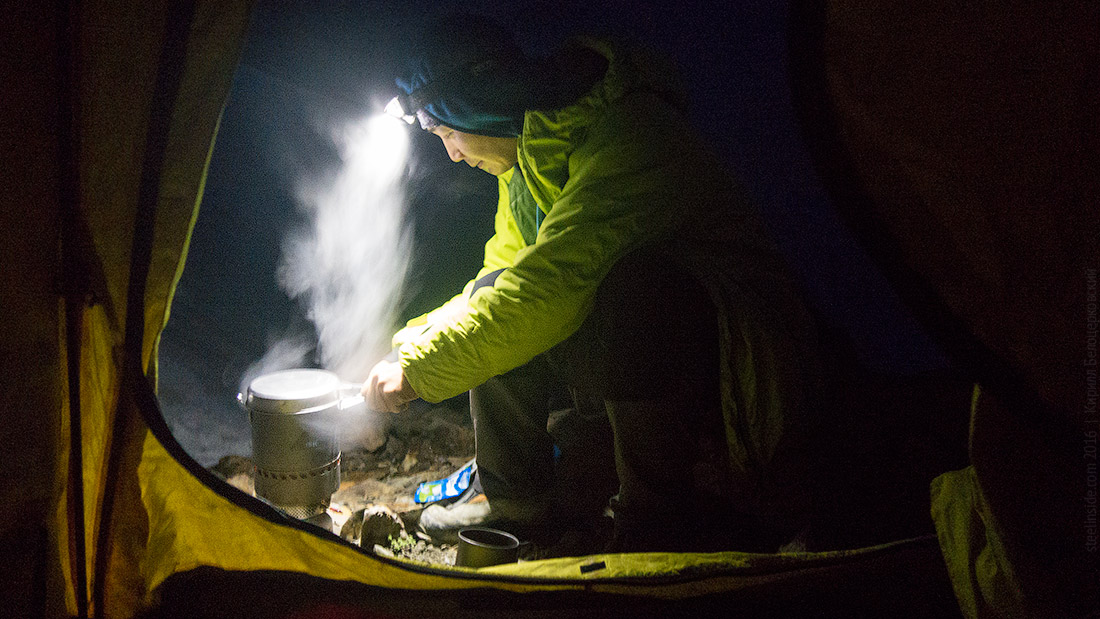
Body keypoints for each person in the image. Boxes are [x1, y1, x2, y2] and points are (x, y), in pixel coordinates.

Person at [363, 14, 824, 552]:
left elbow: (553, 286)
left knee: (632, 294)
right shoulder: (529, 157)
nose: (453, 155)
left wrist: (420, 370)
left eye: (446, 134)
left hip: (744, 371)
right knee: (494, 293)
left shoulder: (632, 133)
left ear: (477, 106)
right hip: (655, 369)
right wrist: (407, 349)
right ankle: (517, 510)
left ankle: (656, 521)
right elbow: (505, 280)